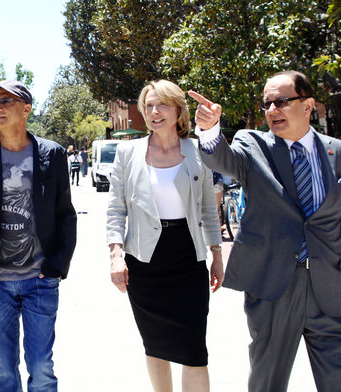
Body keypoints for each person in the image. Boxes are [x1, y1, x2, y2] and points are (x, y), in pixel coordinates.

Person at [189, 70, 341, 392]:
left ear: (308, 105)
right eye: (267, 104)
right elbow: (223, 160)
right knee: (267, 383)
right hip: (274, 288)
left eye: (282, 101)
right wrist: (209, 130)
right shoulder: (252, 144)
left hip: (332, 291)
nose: (272, 110)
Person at [107, 79, 224, 391]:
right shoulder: (128, 152)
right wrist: (116, 255)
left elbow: (208, 210)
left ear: (177, 110)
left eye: (162, 104)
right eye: (149, 106)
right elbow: (116, 210)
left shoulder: (197, 151)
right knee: (156, 345)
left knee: (194, 351)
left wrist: (217, 255)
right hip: (145, 264)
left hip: (188, 259)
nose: (154, 111)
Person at [0, 80, 77, 392]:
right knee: (4, 368)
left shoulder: (51, 155)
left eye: (5, 102)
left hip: (40, 280)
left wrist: (57, 266)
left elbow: (65, 214)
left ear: (26, 109)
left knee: (41, 367)